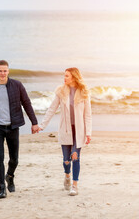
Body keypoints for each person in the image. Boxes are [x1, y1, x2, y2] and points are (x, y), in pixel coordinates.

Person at [0, 60, 39, 199]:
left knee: (14, 159)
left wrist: (34, 122)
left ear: (8, 71)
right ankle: (2, 188)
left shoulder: (17, 85)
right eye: (0, 70)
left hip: (13, 127)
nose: (2, 73)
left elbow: (26, 103)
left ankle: (10, 176)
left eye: (5, 70)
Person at [39, 67, 92, 196]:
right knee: (66, 159)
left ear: (74, 77)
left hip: (79, 130)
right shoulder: (61, 91)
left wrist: (88, 132)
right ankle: (67, 175)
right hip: (66, 129)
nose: (64, 78)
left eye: (67, 76)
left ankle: (75, 186)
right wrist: (42, 126)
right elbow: (52, 109)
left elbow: (88, 114)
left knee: (75, 156)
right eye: (64, 75)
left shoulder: (84, 92)